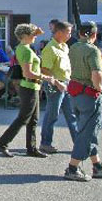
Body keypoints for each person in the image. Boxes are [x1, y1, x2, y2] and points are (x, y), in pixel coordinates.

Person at [64, 22, 102, 182]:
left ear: (80, 34)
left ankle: (97, 166)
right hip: (90, 96)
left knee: (86, 130)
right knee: (87, 134)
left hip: (76, 94)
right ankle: (72, 168)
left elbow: (94, 57)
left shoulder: (74, 47)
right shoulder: (92, 50)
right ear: (94, 34)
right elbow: (97, 73)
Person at [0, 24, 56, 158]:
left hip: (31, 87)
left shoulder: (22, 47)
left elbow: (34, 34)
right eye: (33, 35)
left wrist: (34, 31)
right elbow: (28, 73)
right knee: (23, 118)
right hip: (29, 87)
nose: (35, 36)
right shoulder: (26, 51)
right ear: (25, 36)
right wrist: (46, 77)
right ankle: (2, 144)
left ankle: (31, 148)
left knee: (33, 119)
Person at [39, 21, 78, 154]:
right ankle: (45, 143)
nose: (70, 35)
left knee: (71, 114)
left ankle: (79, 143)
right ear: (60, 33)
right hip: (55, 85)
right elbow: (45, 70)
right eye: (68, 32)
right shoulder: (50, 49)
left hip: (65, 83)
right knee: (52, 115)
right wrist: (57, 83)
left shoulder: (64, 46)